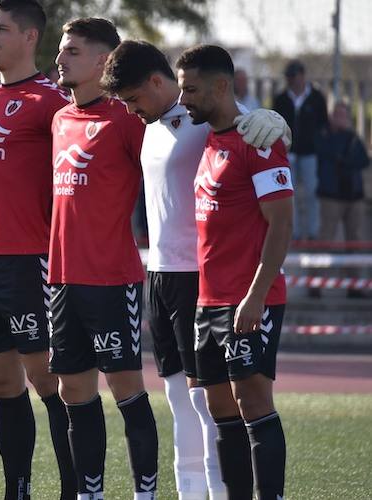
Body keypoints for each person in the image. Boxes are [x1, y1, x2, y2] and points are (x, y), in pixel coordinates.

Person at [100, 39, 291, 500]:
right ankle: (193, 491)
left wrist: (277, 118)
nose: (130, 110)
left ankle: (224, 491)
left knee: (235, 402)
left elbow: (261, 135)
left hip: (212, 280)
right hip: (167, 276)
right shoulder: (147, 124)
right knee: (188, 398)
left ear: (155, 82)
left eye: (134, 99)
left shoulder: (211, 121)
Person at [0, 1, 75, 498]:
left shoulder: (54, 102)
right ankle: (18, 490)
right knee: (3, 386)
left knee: (51, 384)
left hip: (30, 260)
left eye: (1, 29)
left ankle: (77, 488)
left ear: (31, 37)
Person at [49, 19, 158, 500]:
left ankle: (145, 493)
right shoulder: (59, 119)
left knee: (127, 391)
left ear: (102, 61)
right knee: (74, 393)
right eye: (60, 49)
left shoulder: (127, 120)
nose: (61, 57)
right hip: (62, 280)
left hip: (112, 280)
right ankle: (89, 493)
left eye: (72, 50)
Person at [178, 44, 293, 500]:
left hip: (249, 298)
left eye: (191, 89)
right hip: (209, 300)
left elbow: (282, 224)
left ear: (222, 86)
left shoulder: (259, 141)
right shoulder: (210, 137)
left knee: (253, 402)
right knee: (219, 406)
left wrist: (256, 295)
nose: (183, 99)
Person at [315, 100, 369, 298]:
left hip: (354, 196)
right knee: (325, 239)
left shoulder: (354, 138)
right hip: (331, 196)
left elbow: (362, 160)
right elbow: (328, 155)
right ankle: (316, 283)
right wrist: (344, 160)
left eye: (345, 114)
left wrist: (346, 160)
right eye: (338, 115)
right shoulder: (324, 135)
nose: (342, 118)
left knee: (355, 241)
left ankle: (354, 285)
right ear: (331, 117)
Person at [272, 60, 327, 240]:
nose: (292, 81)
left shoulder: (317, 98)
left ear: (302, 76)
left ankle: (312, 232)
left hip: (310, 153)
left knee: (312, 192)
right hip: (288, 153)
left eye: (294, 76)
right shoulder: (280, 99)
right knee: (289, 194)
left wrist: (318, 144)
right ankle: (292, 231)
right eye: (289, 77)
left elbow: (323, 125)